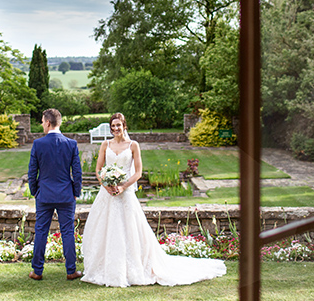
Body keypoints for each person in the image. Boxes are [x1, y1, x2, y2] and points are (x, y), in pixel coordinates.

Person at [81, 112, 226, 287]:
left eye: (118, 125)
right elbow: (98, 169)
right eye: (113, 126)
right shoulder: (106, 144)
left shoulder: (133, 145)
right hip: (107, 195)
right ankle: (105, 268)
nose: (115, 129)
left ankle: (132, 268)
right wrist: (106, 184)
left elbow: (138, 173)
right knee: (105, 230)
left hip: (125, 194)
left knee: (130, 231)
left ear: (124, 126)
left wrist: (123, 186)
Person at [27, 108, 83, 281]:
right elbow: (77, 172)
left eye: (43, 122)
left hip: (44, 195)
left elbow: (32, 172)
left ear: (48, 122)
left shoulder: (38, 144)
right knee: (67, 232)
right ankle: (71, 270)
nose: (42, 124)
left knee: (41, 231)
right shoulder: (71, 144)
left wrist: (35, 191)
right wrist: (76, 192)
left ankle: (37, 271)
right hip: (66, 195)